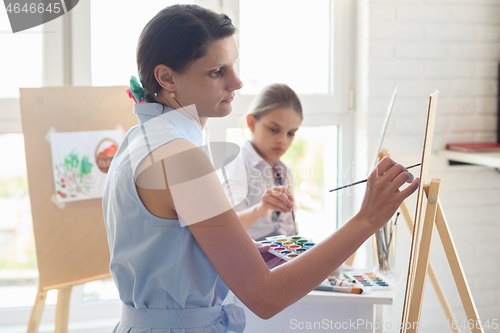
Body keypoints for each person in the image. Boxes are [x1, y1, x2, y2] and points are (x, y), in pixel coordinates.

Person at [102, 4, 419, 333]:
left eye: (234, 65)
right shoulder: (179, 156)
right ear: (167, 78)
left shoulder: (139, 137)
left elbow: (176, 248)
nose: (236, 82)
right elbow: (264, 296)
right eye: (217, 72)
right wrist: (367, 219)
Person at [225, 83, 302, 240]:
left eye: (291, 133)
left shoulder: (284, 172)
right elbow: (227, 231)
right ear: (252, 123)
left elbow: (289, 230)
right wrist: (261, 209)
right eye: (273, 129)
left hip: (279, 259)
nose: (282, 140)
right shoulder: (237, 165)